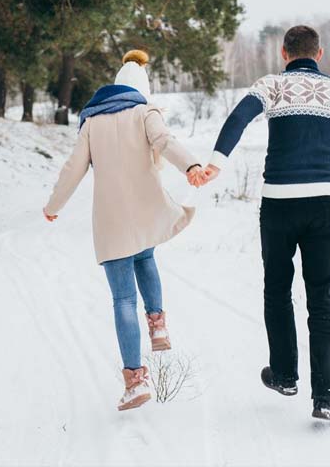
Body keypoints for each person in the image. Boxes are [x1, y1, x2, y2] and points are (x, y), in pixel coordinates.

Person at [200, 25, 330, 421]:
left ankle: (284, 375)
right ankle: (324, 398)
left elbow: (238, 119)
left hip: (278, 204)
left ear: (283, 53)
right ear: (321, 53)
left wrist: (216, 163)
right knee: (321, 298)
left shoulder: (273, 85)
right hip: (321, 207)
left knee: (277, 289)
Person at [43, 49, 206, 412]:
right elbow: (165, 142)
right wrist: (191, 165)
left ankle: (135, 381)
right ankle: (158, 324)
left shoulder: (91, 123)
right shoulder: (145, 111)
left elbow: (73, 169)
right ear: (141, 90)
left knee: (122, 300)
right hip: (146, 210)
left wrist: (53, 207)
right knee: (146, 255)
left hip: (111, 219)